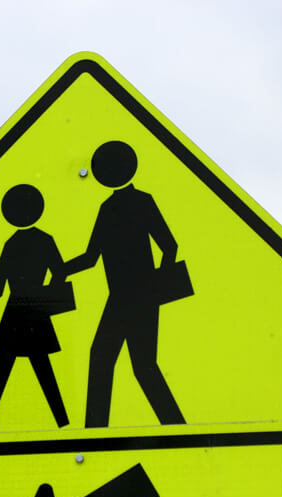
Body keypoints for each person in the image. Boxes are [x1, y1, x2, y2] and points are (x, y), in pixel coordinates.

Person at [63, 140, 185, 427]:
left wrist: (157, 286)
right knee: (109, 360)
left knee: (137, 366)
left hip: (140, 297)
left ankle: (177, 430)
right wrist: (61, 270)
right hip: (119, 298)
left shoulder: (143, 201)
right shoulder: (108, 208)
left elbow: (169, 245)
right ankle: (96, 433)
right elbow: (92, 257)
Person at [0, 184, 72, 432]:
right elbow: (60, 273)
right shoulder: (43, 240)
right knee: (39, 370)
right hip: (33, 312)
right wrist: (45, 297)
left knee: (5, 372)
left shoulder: (11, 243)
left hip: (16, 313)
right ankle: (64, 424)